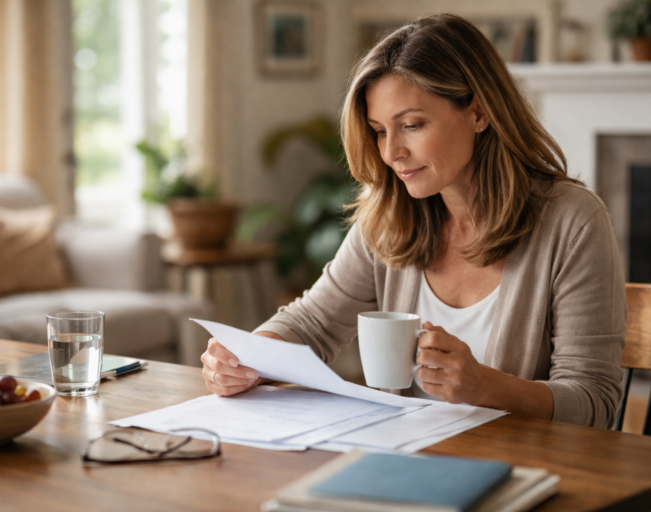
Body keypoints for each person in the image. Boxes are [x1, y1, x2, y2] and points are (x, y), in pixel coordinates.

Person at [200, 14, 626, 429]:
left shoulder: (573, 221)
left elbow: (595, 401)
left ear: (480, 113)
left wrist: (486, 386)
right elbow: (312, 323)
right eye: (380, 131)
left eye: (412, 125)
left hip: (520, 472)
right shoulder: (389, 215)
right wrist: (245, 359)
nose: (391, 153)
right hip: (402, 460)